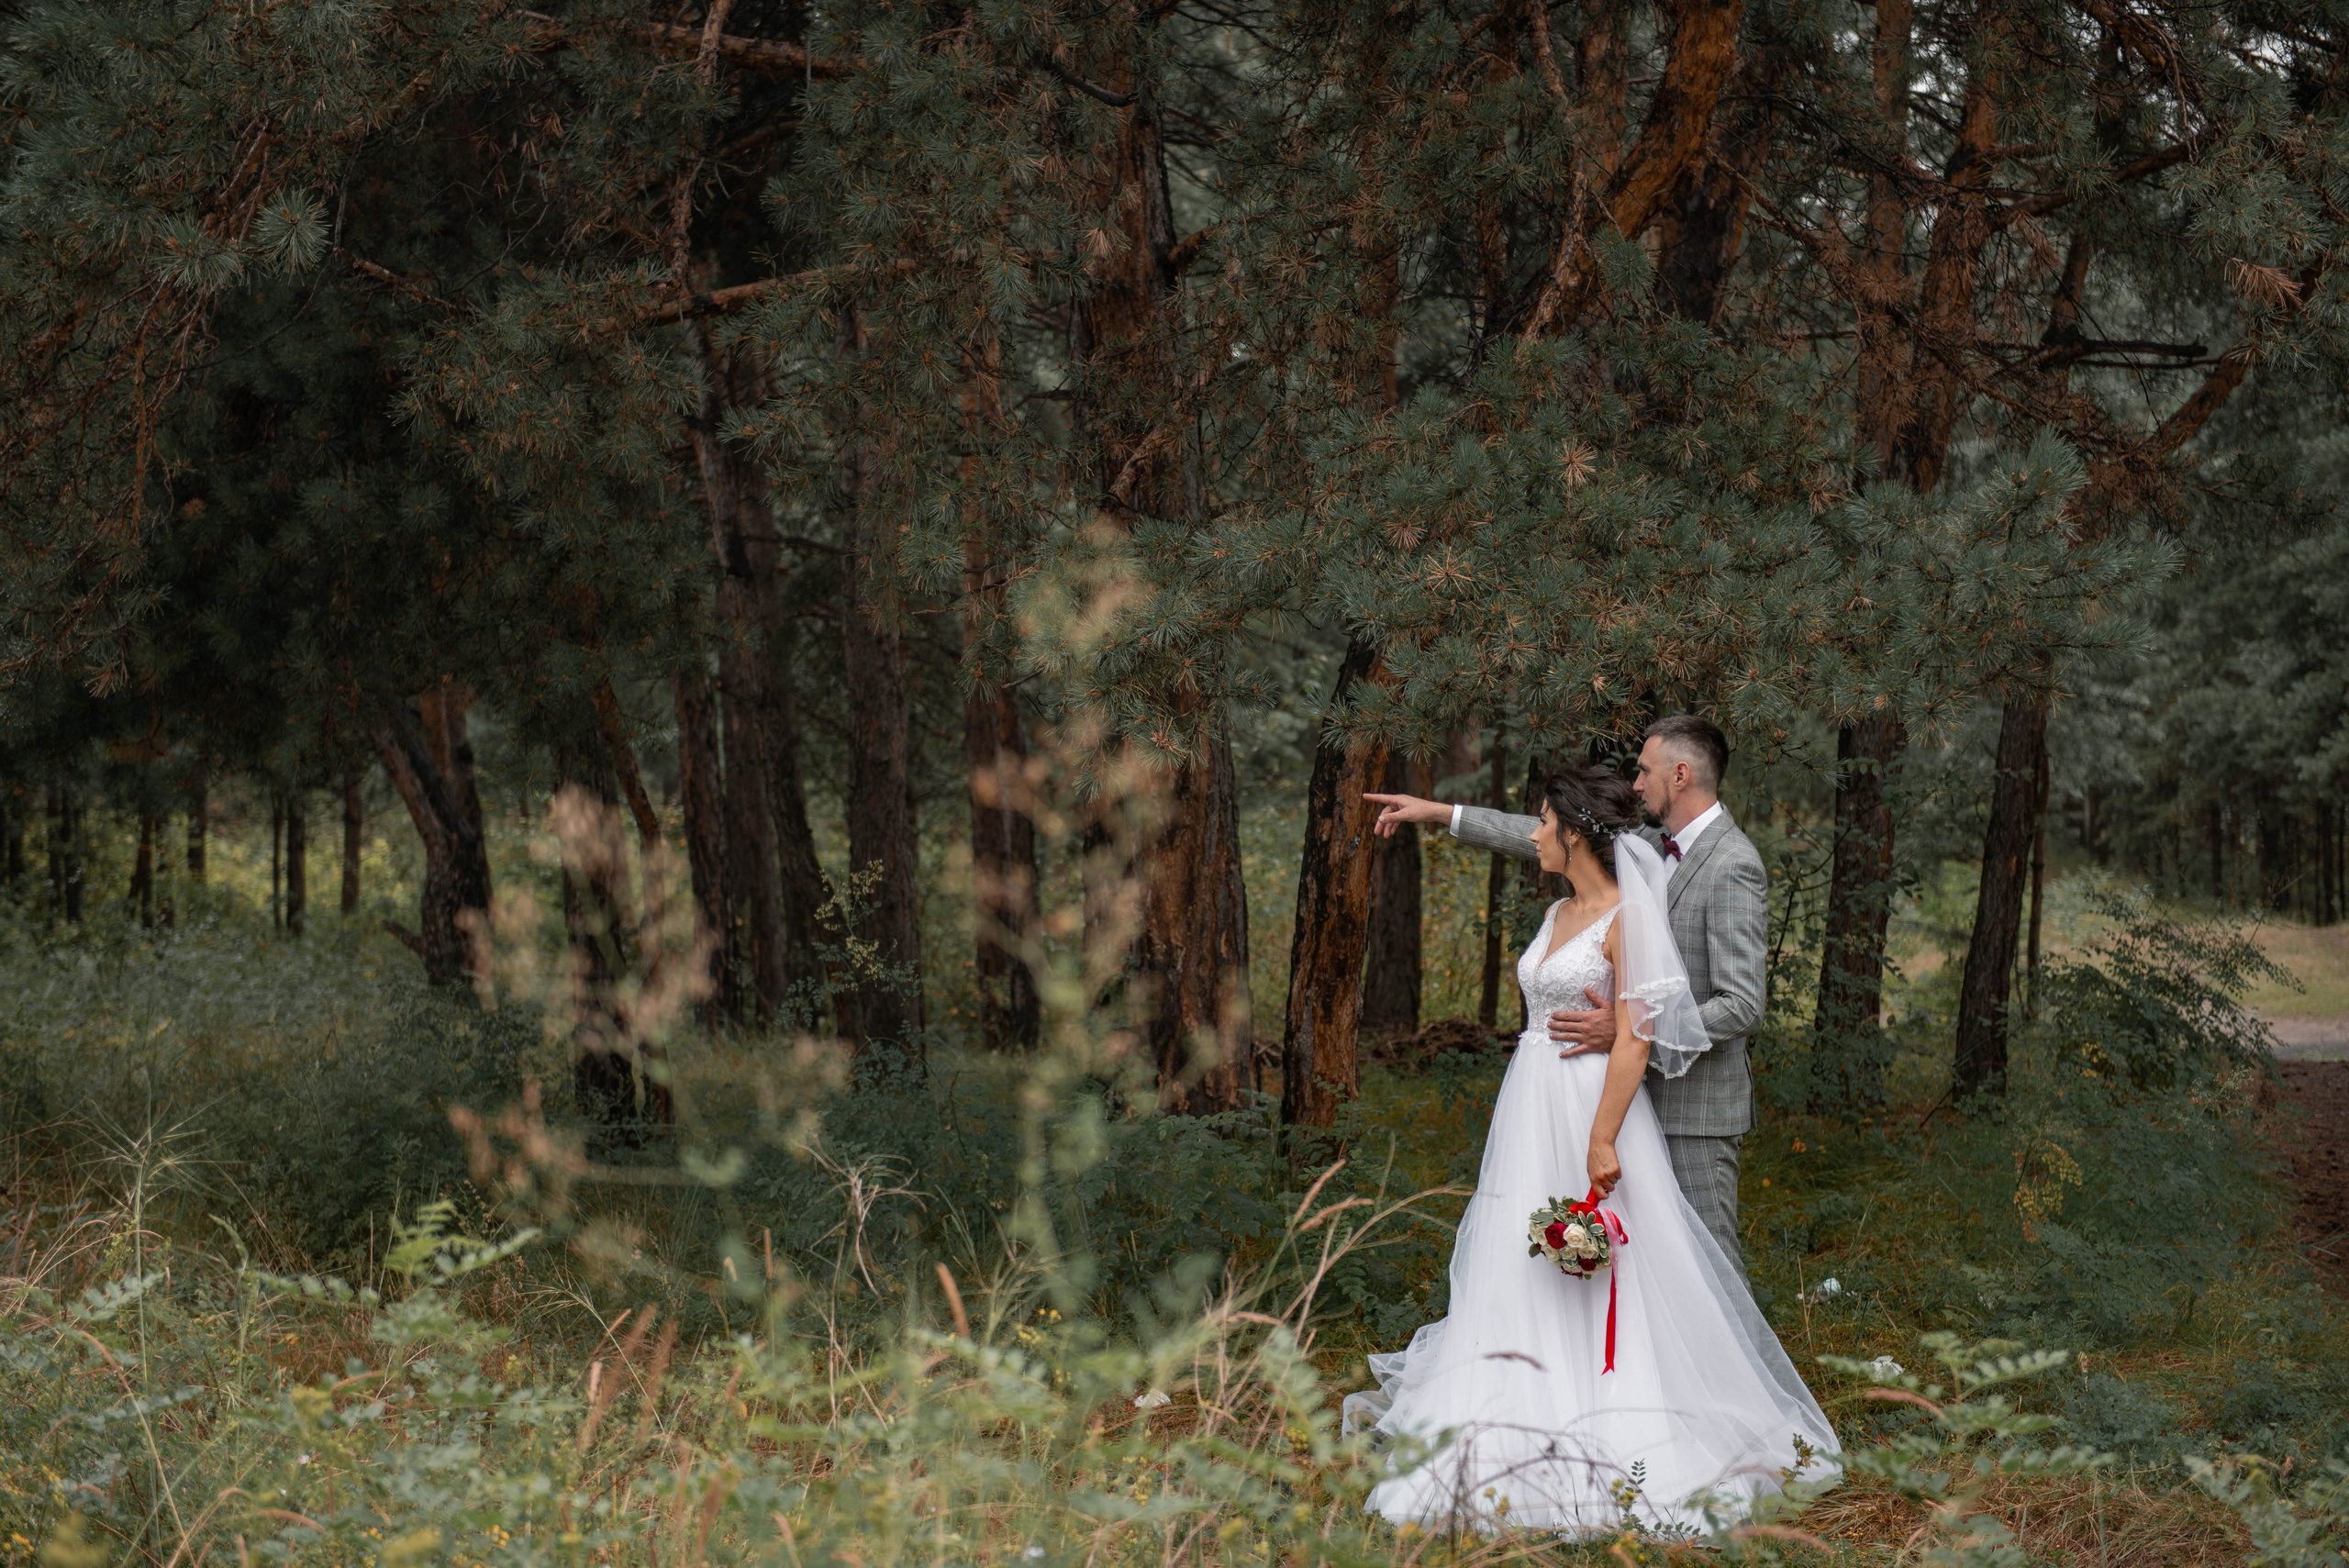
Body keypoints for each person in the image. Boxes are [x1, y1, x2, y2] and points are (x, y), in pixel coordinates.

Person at [1340, 764, 1833, 1533]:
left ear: (1574, 831)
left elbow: (1635, 1037)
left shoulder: (1628, 919)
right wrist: (1439, 812)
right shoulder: (1559, 909)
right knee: (1519, 1255)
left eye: (1543, 822)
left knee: (1607, 1268)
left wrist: (1603, 1137)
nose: (1533, 833)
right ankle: (1506, 1405)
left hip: (1589, 1106)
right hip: (1530, 1104)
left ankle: (1616, 1420)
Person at [1366, 714, 1765, 1276]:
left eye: (1645, 771)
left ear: (1680, 775)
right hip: (1617, 1093)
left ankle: (1733, 1368)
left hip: (1697, 1105)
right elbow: (1543, 833)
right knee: (1644, 1269)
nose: (1636, 784)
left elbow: (1743, 1003)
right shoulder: (1645, 844)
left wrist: (1633, 1028)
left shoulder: (1732, 863)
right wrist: (1439, 813)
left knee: (1709, 1266)